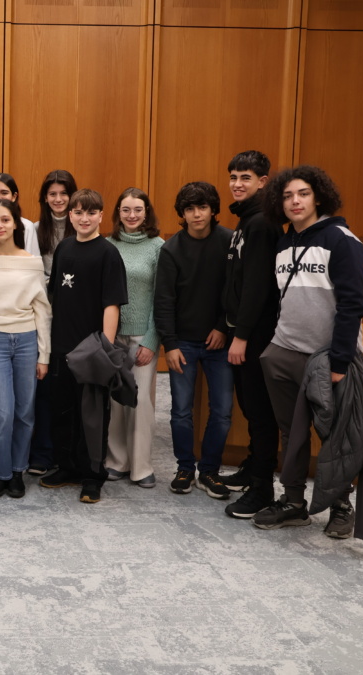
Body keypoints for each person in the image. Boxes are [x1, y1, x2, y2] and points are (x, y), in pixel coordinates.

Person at [253, 166, 363, 539]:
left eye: (302, 194)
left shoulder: (341, 240)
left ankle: (340, 506)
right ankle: (293, 502)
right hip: (284, 351)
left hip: (330, 358)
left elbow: (352, 305)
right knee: (293, 433)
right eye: (287, 196)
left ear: (318, 196)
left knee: (336, 436)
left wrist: (339, 361)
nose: (295, 202)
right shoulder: (285, 244)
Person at [41, 189, 127, 503]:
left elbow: (112, 304)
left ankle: (93, 475)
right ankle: (67, 467)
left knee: (92, 416)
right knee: (64, 411)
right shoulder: (64, 248)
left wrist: (104, 347)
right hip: (62, 347)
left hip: (91, 349)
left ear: (101, 216)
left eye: (91, 213)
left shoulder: (107, 253)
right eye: (78, 213)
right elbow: (55, 297)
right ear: (71, 216)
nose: (84, 218)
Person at [154, 181, 234, 499]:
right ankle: (185, 467)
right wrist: (169, 345)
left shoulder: (230, 242)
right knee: (180, 411)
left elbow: (235, 291)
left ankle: (210, 471)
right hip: (182, 343)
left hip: (220, 341)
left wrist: (223, 327)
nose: (196, 214)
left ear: (213, 210)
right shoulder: (171, 249)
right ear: (182, 214)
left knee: (223, 411)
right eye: (189, 209)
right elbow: (164, 301)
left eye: (202, 207)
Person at [0, 198, 51, 499]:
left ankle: (17, 472)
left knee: (25, 412)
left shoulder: (32, 262)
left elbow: (43, 312)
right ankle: (1, 473)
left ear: (16, 223)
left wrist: (44, 355)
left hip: (28, 340)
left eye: (5, 220)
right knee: (0, 413)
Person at [219, 151, 284, 518]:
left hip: (256, 335)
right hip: (241, 331)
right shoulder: (246, 220)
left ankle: (262, 488)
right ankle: (252, 467)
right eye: (233, 176)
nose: (237, 183)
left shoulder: (261, 223)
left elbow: (258, 287)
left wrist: (241, 336)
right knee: (250, 406)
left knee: (260, 412)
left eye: (245, 177)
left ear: (263, 181)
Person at [105, 187, 163, 488]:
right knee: (116, 400)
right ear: (118, 213)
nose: (131, 215)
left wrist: (152, 341)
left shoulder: (158, 247)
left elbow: (161, 298)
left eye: (137, 210)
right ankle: (117, 461)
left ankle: (141, 467)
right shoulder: (107, 245)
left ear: (146, 212)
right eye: (126, 210)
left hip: (143, 336)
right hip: (113, 336)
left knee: (140, 402)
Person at [36, 170, 78, 279]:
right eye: (52, 194)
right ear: (45, 197)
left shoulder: (82, 228)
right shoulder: (35, 229)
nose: (58, 199)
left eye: (63, 193)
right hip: (45, 290)